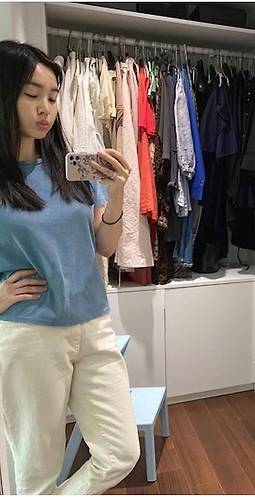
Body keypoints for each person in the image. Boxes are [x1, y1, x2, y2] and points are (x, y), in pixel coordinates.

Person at [0, 40, 140, 494]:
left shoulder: (69, 168)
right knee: (36, 471)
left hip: (93, 326)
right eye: (31, 94)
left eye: (53, 96)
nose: (46, 108)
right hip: (29, 333)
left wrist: (115, 196)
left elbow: (105, 245)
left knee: (121, 453)